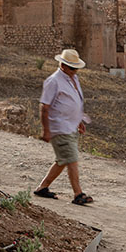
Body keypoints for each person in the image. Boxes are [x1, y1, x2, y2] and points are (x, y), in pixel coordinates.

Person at [33, 48, 93, 205]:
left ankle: (42, 187)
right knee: (72, 158)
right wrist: (46, 130)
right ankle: (78, 194)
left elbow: (74, 102)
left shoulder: (73, 79)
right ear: (62, 65)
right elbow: (44, 107)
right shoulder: (53, 81)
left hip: (70, 126)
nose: (75, 71)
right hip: (59, 127)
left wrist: (79, 120)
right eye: (72, 68)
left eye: (76, 68)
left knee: (63, 160)